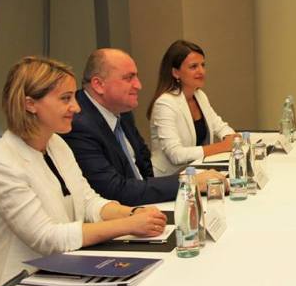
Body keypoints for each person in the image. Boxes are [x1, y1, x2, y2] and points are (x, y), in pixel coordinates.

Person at [0, 57, 167, 286]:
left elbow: (88, 201)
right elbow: (47, 238)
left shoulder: (56, 144)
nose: (76, 107)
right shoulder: (0, 163)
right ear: (30, 104)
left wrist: (132, 213)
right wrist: (128, 225)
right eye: (65, 99)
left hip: (57, 284)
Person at [62, 48, 224, 206]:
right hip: (119, 213)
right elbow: (114, 190)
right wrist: (189, 182)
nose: (138, 85)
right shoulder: (79, 125)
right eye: (129, 78)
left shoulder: (122, 110)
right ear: (98, 84)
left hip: (144, 202)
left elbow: (143, 160)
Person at [147, 40, 236, 176]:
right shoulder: (165, 103)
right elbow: (176, 155)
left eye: (202, 65)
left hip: (196, 172)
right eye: (194, 66)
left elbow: (219, 126)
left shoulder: (199, 95)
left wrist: (232, 138)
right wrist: (222, 146)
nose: (201, 71)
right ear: (176, 73)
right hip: (168, 179)